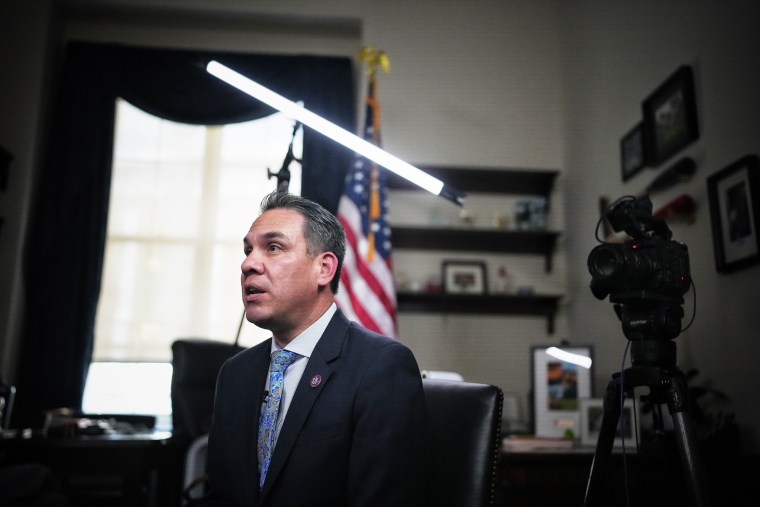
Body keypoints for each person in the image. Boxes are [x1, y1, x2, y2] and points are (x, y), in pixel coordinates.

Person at [202, 191, 426, 506]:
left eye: (274, 247)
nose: (249, 263)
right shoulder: (236, 373)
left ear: (324, 269)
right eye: (248, 250)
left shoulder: (380, 366)